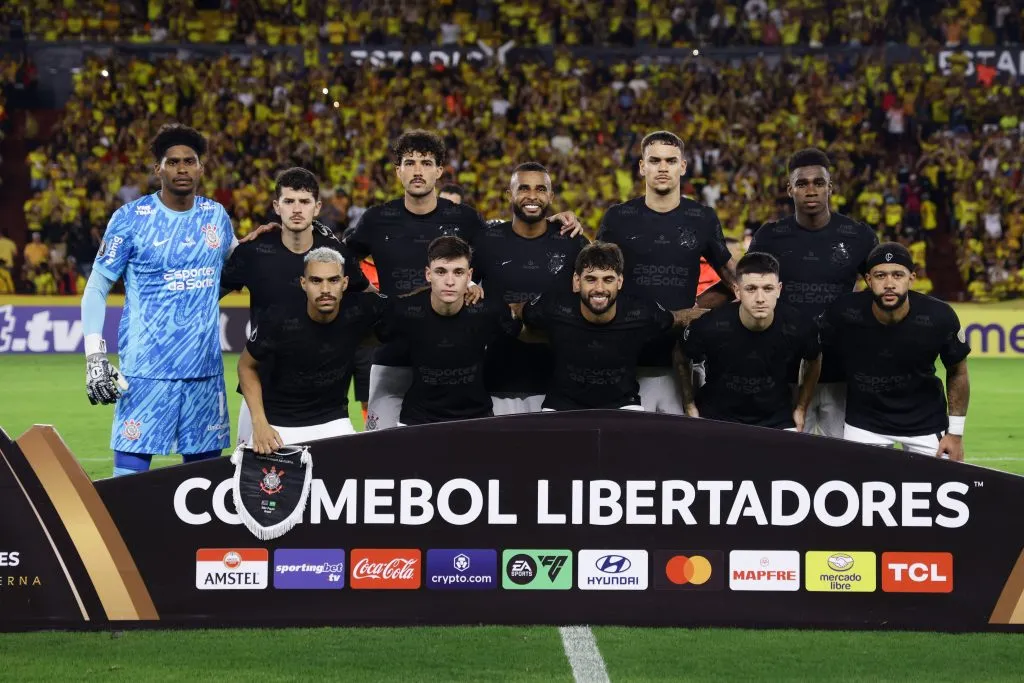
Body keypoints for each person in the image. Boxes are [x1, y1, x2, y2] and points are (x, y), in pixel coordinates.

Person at [344, 130, 582, 430]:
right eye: (410, 163)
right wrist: (369, 292)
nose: (418, 171)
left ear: (439, 171)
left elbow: (507, 240)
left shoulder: (465, 219)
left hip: (450, 360)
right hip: (393, 356)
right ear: (398, 171)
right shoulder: (377, 218)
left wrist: (547, 222)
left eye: (426, 163)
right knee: (381, 451)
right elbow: (341, 259)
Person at [80, 123, 236, 476]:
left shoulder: (216, 216)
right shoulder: (130, 219)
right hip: (146, 371)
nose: (182, 168)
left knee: (205, 483)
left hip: (204, 371)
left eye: (190, 161)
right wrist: (94, 355)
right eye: (173, 162)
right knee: (128, 484)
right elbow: (96, 288)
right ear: (158, 169)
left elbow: (234, 272)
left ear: (200, 167)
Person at [220, 167, 369, 443]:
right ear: (277, 206)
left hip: (326, 399)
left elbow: (369, 297)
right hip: (262, 391)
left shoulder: (336, 254)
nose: (296, 209)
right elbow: (208, 295)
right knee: (254, 477)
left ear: (317, 207)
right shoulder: (253, 252)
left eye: (304, 201)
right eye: (289, 201)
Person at [597, 130, 736, 414]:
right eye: (655, 160)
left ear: (683, 166)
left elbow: (735, 280)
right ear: (642, 166)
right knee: (627, 452)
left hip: (682, 364)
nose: (663, 168)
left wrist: (702, 307)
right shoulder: (619, 218)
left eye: (671, 161)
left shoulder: (702, 218)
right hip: (626, 362)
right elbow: (595, 280)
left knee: (682, 454)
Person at [748, 147, 878, 438]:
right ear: (789, 189)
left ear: (830, 188)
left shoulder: (858, 236)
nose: (811, 190)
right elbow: (749, 293)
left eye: (818, 183)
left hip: (841, 374)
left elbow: (880, 294)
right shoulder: (769, 236)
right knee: (785, 462)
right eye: (802, 183)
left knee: (846, 462)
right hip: (784, 373)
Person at [821, 243, 971, 460]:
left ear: (912, 278)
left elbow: (958, 371)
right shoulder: (843, 313)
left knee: (944, 487)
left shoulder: (940, 317)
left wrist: (955, 434)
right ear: (868, 279)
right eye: (880, 275)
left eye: (897, 275)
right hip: (865, 424)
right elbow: (817, 356)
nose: (889, 284)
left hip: (925, 422)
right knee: (859, 489)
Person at [519, 241, 705, 412]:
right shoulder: (553, 306)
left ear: (620, 281)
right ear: (577, 281)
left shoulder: (642, 312)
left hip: (623, 403)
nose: (599, 288)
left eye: (608, 279)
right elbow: (518, 314)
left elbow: (679, 318)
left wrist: (719, 315)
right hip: (561, 403)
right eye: (591, 279)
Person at [238, 248, 385, 453]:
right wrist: (260, 423)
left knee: (356, 468)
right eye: (316, 280)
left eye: (333, 280)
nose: (325, 289)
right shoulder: (278, 319)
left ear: (345, 283)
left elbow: (407, 309)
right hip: (280, 424)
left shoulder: (363, 309)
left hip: (334, 422)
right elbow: (245, 366)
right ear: (303, 283)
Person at [472, 162, 588, 414]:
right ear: (509, 194)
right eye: (524, 188)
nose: (533, 196)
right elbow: (459, 288)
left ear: (551, 196)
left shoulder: (572, 241)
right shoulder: (486, 241)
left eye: (541, 189)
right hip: (496, 381)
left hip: (560, 387)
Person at [379, 236, 521, 426]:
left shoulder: (490, 311)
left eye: (458, 272)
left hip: (476, 417)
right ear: (428, 274)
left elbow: (519, 336)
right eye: (441, 272)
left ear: (469, 277)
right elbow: (374, 336)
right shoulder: (404, 311)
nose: (450, 281)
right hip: (418, 420)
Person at [676, 252, 822, 431]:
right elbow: (681, 355)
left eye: (768, 288)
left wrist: (801, 408)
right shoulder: (710, 325)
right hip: (717, 418)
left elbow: (814, 359)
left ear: (779, 289)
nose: (760, 298)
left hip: (777, 421)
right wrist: (689, 404)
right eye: (751, 289)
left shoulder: (800, 326)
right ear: (737, 290)